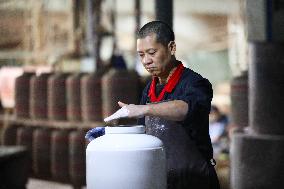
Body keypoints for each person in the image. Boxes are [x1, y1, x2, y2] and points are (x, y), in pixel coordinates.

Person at [86, 20, 220, 189]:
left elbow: (186, 108)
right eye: (141, 55)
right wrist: (112, 136)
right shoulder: (149, 89)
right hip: (160, 178)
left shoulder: (195, 83)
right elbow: (144, 132)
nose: (146, 61)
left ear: (171, 48)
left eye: (152, 52)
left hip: (194, 180)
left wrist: (144, 109)